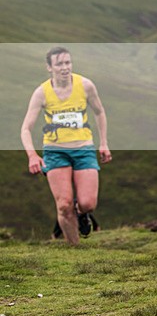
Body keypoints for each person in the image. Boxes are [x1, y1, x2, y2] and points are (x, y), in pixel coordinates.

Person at [20, 46, 112, 245]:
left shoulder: (86, 85)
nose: (64, 67)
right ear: (49, 67)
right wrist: (32, 155)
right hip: (55, 151)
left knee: (88, 203)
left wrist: (103, 142)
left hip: (83, 148)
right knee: (63, 205)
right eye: (59, 64)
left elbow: (99, 112)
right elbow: (26, 128)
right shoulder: (41, 93)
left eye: (67, 62)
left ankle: (82, 213)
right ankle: (75, 247)